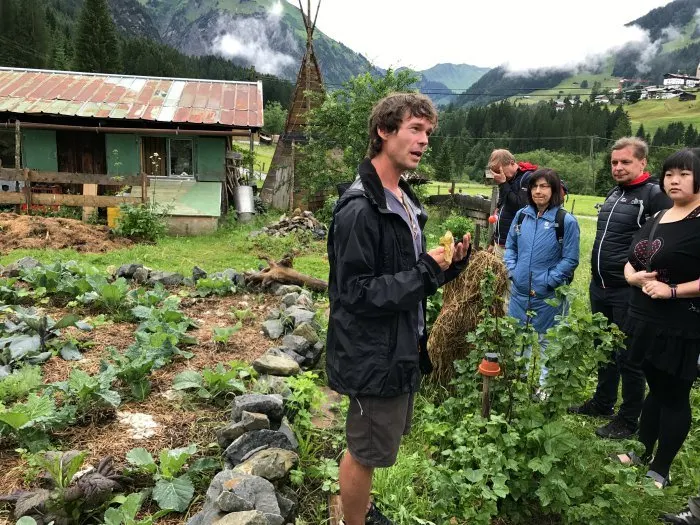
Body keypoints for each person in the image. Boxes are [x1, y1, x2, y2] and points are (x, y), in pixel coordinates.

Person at [326, 93, 471, 525]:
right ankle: (352, 520)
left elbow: (407, 278)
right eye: (414, 129)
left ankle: (361, 508)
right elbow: (355, 294)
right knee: (364, 452)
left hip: (400, 343)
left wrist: (447, 268)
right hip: (372, 350)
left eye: (428, 132)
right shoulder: (360, 208)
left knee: (374, 444)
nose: (424, 140)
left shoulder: (404, 200)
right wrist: (426, 271)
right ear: (383, 131)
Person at [568, 137, 672, 440]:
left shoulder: (654, 195)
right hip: (600, 286)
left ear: (643, 163)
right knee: (604, 348)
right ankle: (602, 403)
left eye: (625, 162)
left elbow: (667, 240)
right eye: (614, 162)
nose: (618, 167)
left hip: (629, 290)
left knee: (629, 355)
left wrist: (647, 277)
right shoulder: (614, 194)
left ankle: (628, 419)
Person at [613, 148, 700, 489]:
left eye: (684, 173)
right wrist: (632, 277)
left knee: (674, 396)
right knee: (657, 389)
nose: (674, 179)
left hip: (680, 325)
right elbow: (632, 258)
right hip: (644, 319)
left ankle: (660, 468)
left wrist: (673, 291)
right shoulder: (660, 215)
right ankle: (641, 451)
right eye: (669, 174)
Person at [504, 168, 580, 384]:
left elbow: (570, 259)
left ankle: (545, 389)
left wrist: (549, 280)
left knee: (549, 341)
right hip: (519, 290)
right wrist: (513, 271)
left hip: (548, 294)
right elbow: (510, 247)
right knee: (520, 338)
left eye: (544, 186)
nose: (538, 191)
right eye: (534, 186)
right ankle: (519, 383)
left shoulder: (565, 221)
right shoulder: (521, 216)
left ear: (554, 189)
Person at [488, 149, 538, 256]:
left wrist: (503, 183)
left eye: (500, 170)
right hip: (500, 242)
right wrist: (493, 241)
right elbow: (501, 211)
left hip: (515, 246)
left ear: (511, 163)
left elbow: (520, 206)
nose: (498, 175)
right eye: (496, 172)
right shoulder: (507, 181)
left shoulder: (527, 178)